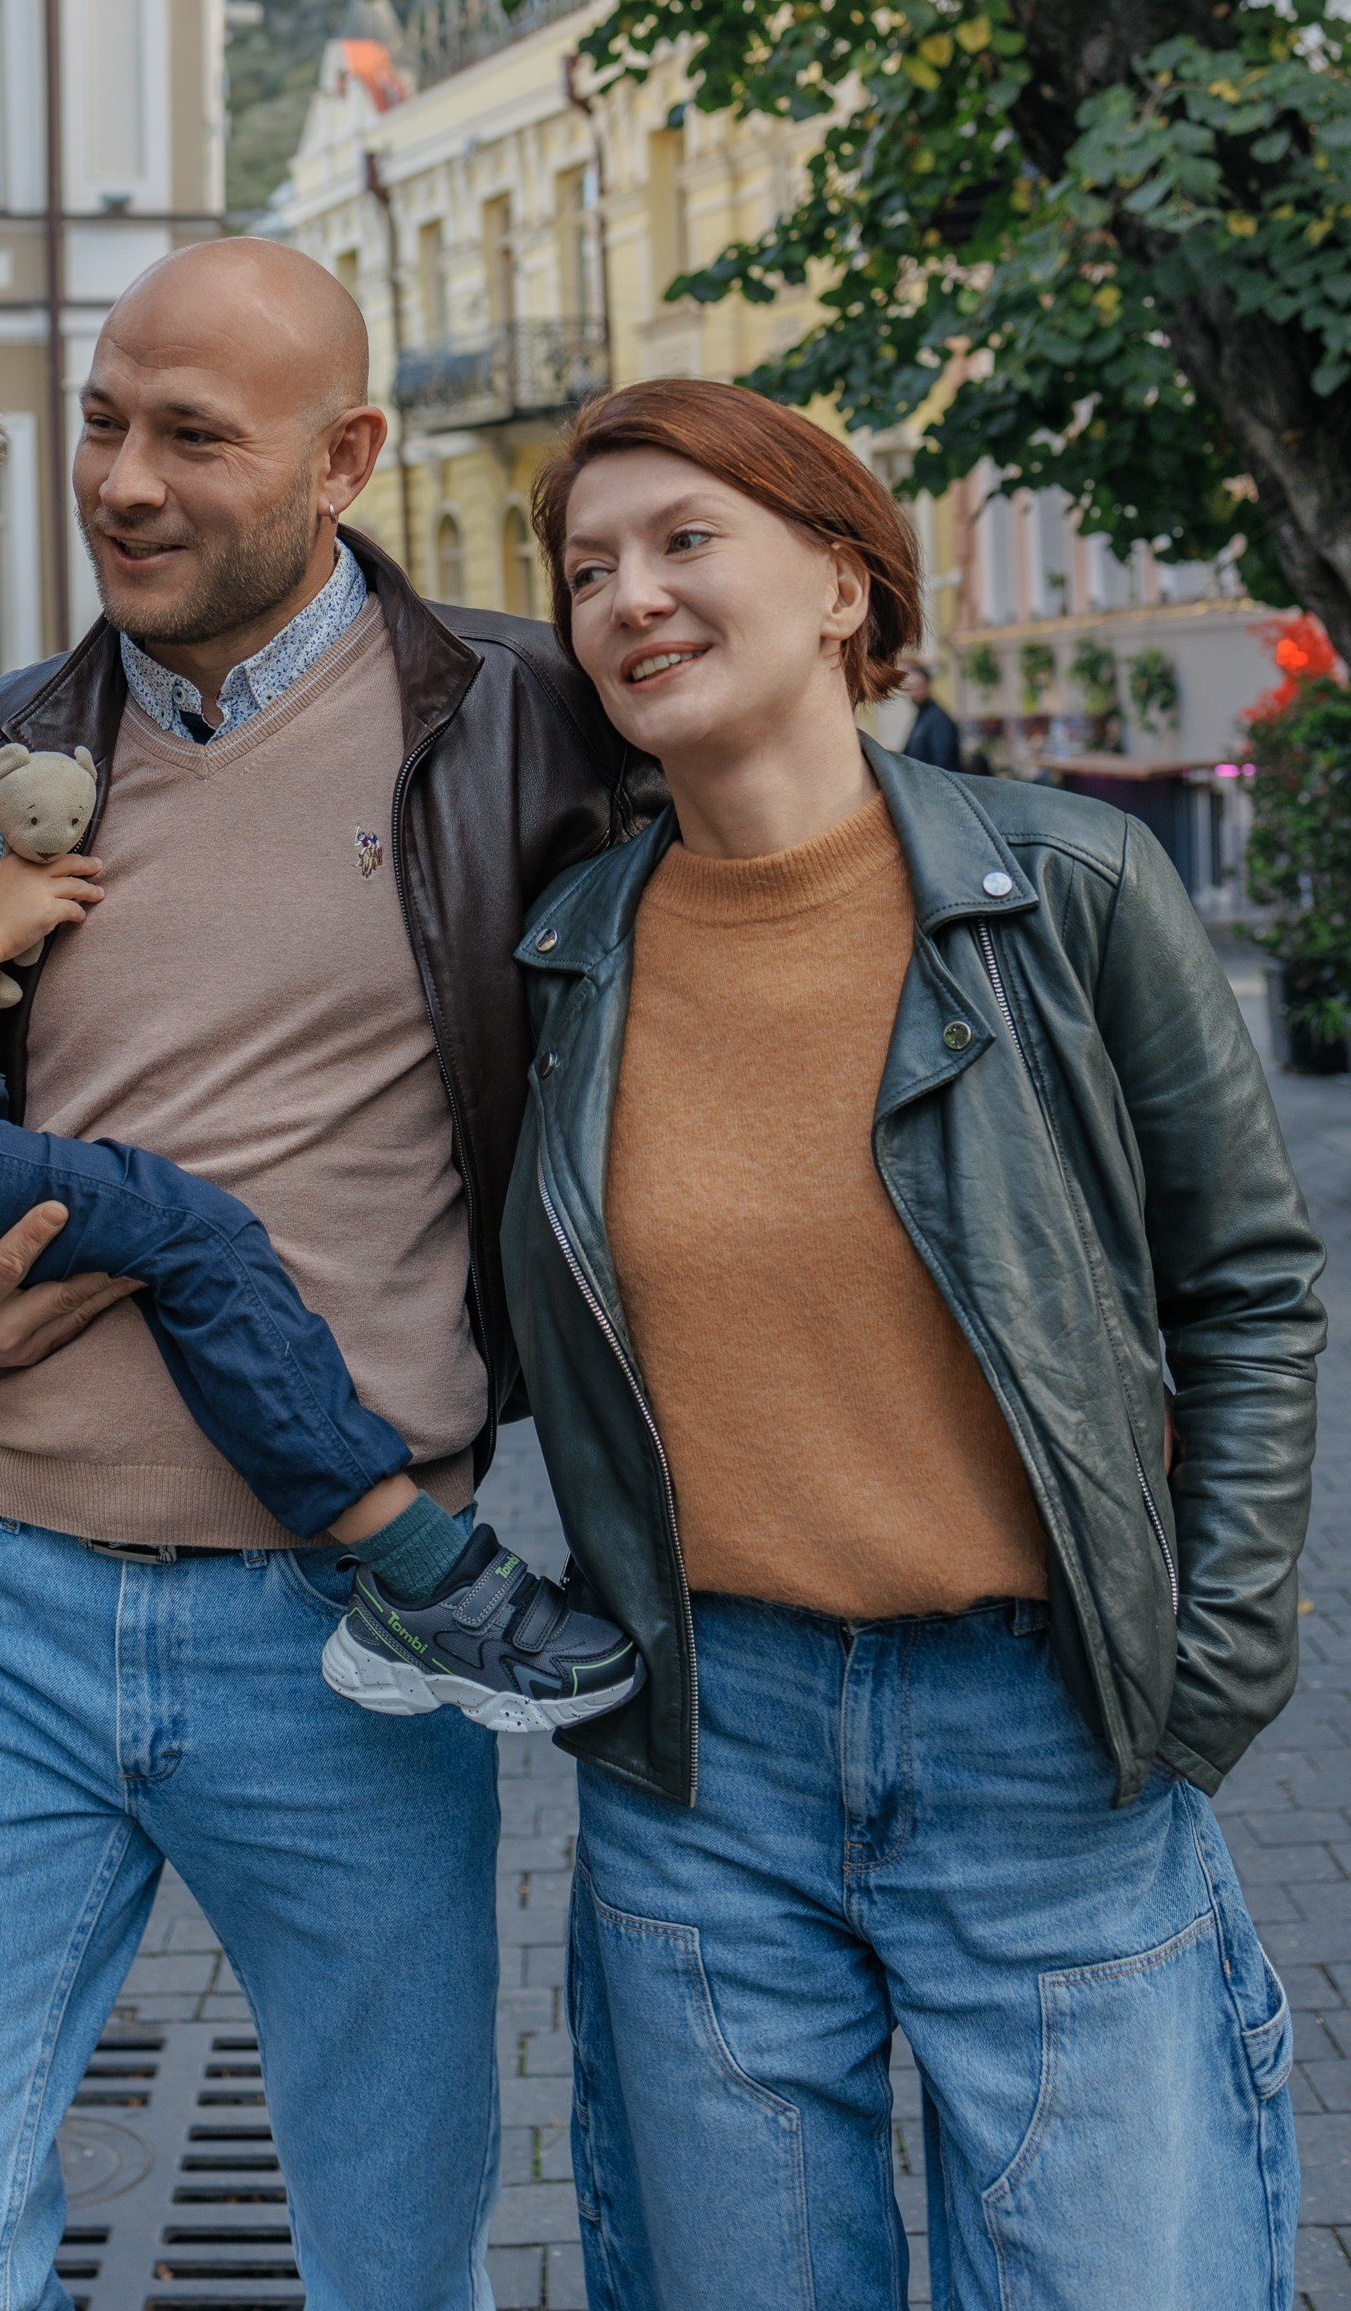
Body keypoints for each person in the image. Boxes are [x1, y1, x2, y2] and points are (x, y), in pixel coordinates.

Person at [0, 247, 663, 2311]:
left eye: (194, 434)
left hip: (358, 1636)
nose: (123, 479)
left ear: (346, 456)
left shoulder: (524, 723)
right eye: (103, 420)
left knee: (391, 2261)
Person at [503, 375, 1323, 2310]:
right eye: (589, 568)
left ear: (848, 589)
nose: (629, 598)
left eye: (686, 541)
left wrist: (1211, 1663)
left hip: (1042, 1732)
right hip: (702, 1757)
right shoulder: (563, 953)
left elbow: (1252, 1285)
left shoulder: (1070, 888)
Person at [0, 342, 634, 1735]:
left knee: (162, 1226)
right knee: (185, 1228)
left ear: (343, 460)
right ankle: (418, 1572)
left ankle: (397, 1554)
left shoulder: (528, 707)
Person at [900, 650, 963, 768]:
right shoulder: (921, 717)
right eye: (908, 690)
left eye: (915, 688)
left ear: (927, 687)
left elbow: (942, 763)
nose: (911, 694)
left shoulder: (939, 720)